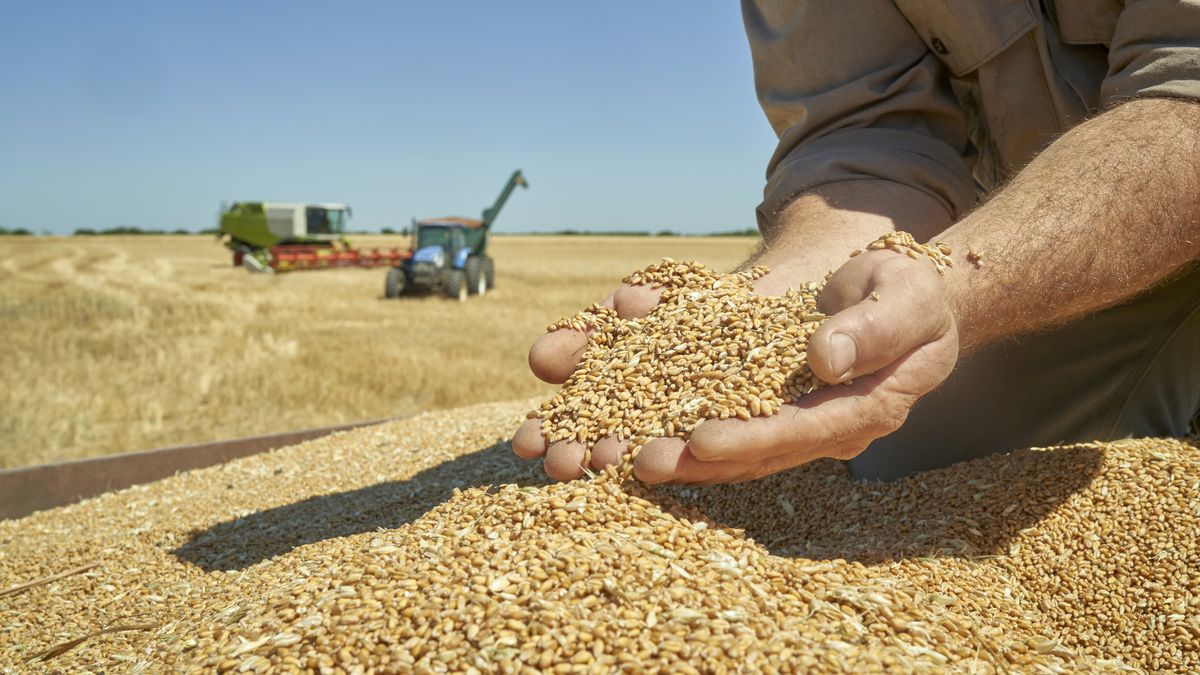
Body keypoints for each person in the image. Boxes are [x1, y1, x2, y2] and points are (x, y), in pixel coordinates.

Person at [513, 0, 1200, 484]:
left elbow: (1186, 96)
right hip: (1050, 237)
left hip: (1160, 204)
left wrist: (961, 285)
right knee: (901, 455)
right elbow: (866, 138)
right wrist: (778, 298)